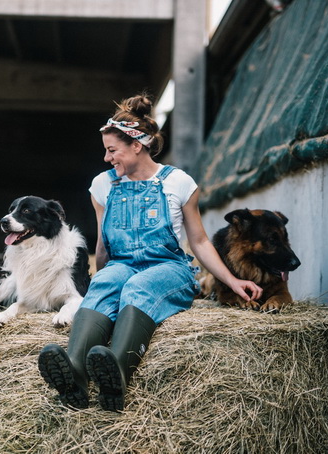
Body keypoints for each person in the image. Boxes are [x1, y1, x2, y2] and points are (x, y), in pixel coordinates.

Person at [38, 94, 263, 412]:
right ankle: (74, 373)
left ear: (136, 145)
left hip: (169, 268)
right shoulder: (102, 185)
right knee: (107, 284)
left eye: (112, 150)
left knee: (137, 288)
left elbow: (198, 241)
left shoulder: (179, 182)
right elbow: (103, 244)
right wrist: (100, 284)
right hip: (123, 263)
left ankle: (116, 370)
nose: (106, 158)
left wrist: (233, 280)